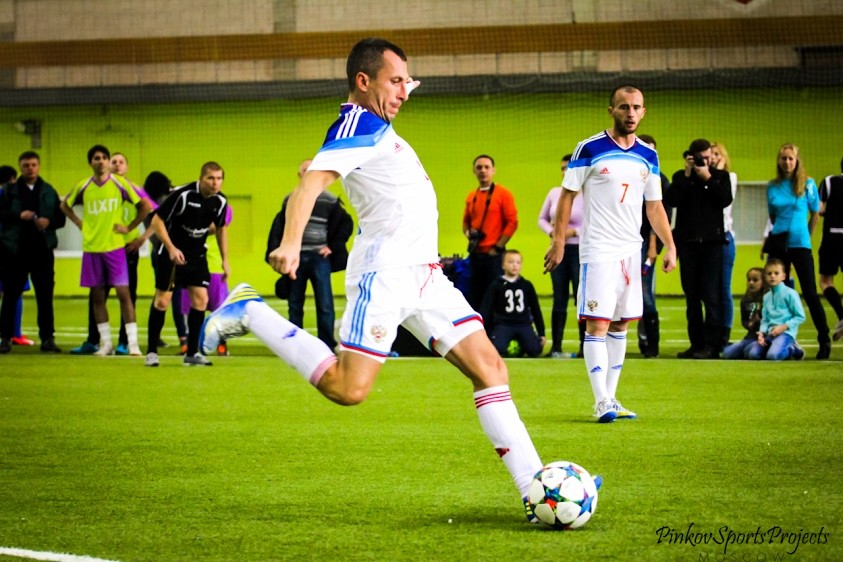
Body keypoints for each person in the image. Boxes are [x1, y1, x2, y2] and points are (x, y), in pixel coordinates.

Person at [201, 38, 554, 522]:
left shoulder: (379, 126)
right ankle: (251, 311)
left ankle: (537, 492)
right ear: (363, 81)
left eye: (407, 82)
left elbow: (369, 139)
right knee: (348, 389)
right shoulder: (356, 123)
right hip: (385, 274)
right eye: (395, 82)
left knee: (491, 369)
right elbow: (310, 184)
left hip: (426, 275)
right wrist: (290, 242)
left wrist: (400, 83)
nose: (404, 92)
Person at [543, 84, 676, 423]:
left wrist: (670, 245)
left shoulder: (648, 155)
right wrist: (558, 241)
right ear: (611, 110)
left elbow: (655, 206)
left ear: (643, 112)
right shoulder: (589, 148)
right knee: (597, 323)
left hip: (631, 251)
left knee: (620, 325)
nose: (630, 113)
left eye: (636, 107)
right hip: (598, 249)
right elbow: (567, 196)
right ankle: (600, 400)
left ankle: (612, 398)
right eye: (624, 107)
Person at [61, 145, 151, 356]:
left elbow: (145, 205)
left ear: (107, 161)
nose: (100, 161)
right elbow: (64, 205)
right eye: (96, 158)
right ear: (90, 163)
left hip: (115, 247)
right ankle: (106, 344)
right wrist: (79, 222)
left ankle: (132, 344)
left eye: (103, 157)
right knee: (97, 296)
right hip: (92, 248)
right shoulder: (84, 186)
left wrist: (129, 227)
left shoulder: (120, 184)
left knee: (123, 294)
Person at [144, 162, 229, 367]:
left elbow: (221, 229)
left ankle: (192, 353)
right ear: (201, 178)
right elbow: (156, 221)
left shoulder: (220, 201)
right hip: (171, 255)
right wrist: (171, 248)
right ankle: (152, 352)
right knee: (162, 301)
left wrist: (225, 259)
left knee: (201, 300)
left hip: (197, 256)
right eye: (211, 178)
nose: (215, 183)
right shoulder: (183, 195)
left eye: (219, 178)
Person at [266, 159, 353, 350]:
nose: (308, 173)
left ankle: (326, 344)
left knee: (325, 303)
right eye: (305, 170)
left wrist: (332, 246)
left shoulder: (330, 200)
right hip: (295, 259)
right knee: (295, 303)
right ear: (299, 175)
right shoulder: (290, 200)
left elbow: (346, 224)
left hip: (320, 259)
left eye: (311, 170)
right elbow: (279, 227)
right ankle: (295, 343)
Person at [665, 140, 733, 359]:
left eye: (707, 156)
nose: (705, 160)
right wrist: (687, 175)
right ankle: (696, 344)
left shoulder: (721, 177)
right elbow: (672, 199)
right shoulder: (681, 177)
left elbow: (724, 200)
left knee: (711, 295)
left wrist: (708, 178)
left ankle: (712, 345)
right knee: (691, 297)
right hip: (688, 244)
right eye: (700, 157)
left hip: (713, 244)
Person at [766, 143, 831, 359]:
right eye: (783, 158)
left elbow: (815, 214)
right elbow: (773, 216)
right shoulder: (772, 186)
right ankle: (780, 339)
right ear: (779, 161)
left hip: (801, 244)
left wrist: (806, 237)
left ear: (797, 161)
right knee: (778, 293)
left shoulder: (808, 184)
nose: (787, 162)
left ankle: (824, 339)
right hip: (779, 245)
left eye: (790, 158)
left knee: (810, 293)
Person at [0, 151, 63, 353]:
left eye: (33, 165)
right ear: (20, 167)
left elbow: (61, 219)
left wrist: (49, 222)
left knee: (45, 296)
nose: (30, 168)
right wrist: (19, 215)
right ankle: (5, 338)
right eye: (26, 165)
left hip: (42, 250)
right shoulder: (9, 191)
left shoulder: (49, 191)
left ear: (39, 166)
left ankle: (48, 338)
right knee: (11, 295)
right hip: (15, 250)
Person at [537, 154, 585, 358]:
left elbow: (594, 221)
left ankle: (585, 347)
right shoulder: (554, 193)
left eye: (569, 168)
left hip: (579, 251)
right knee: (559, 298)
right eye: (563, 168)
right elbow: (541, 219)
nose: (566, 172)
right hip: (557, 250)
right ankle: (556, 346)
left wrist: (573, 232)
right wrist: (554, 233)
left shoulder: (587, 194)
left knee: (581, 298)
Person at [462, 155, 518, 308]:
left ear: (493, 170)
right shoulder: (471, 196)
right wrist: (468, 234)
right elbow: (465, 222)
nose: (483, 171)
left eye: (486, 167)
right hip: (475, 254)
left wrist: (498, 247)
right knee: (476, 296)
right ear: (474, 171)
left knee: (495, 296)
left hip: (495, 256)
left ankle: (495, 324)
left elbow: (512, 222)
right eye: (479, 167)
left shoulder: (503, 194)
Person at [177, 204, 234, 355]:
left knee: (218, 308)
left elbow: (215, 228)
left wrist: (190, 226)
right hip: (191, 263)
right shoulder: (188, 204)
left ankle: (222, 344)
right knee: (191, 306)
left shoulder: (223, 207)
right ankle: (191, 344)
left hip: (214, 264)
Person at [636, 134, 673, 358]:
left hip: (645, 244)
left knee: (645, 294)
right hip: (623, 241)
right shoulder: (627, 174)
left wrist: (654, 245)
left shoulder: (660, 179)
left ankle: (651, 345)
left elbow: (659, 214)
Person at [479, 249, 546, 358]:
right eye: (510, 262)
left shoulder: (526, 285)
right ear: (503, 265)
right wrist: (484, 332)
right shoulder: (496, 285)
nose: (514, 265)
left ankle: (524, 343)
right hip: (503, 324)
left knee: (535, 350)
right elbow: (486, 309)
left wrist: (541, 333)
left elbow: (536, 310)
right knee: (497, 349)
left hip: (523, 324)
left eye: (518, 262)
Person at [0, 164, 34, 347]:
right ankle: (15, 334)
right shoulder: (11, 197)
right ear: (13, 179)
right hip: (10, 250)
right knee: (14, 292)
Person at [747, 259, 806, 361]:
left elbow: (800, 316)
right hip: (770, 334)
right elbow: (765, 319)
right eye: (769, 273)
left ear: (783, 276)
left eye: (776, 273)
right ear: (765, 277)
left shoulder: (790, 293)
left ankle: (793, 349)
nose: (772, 276)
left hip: (786, 333)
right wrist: (762, 333)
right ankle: (772, 346)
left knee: (773, 356)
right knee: (753, 355)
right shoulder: (766, 297)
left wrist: (783, 327)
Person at [711, 142, 738, 347]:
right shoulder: (702, 179)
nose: (712, 158)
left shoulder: (729, 177)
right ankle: (711, 332)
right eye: (710, 154)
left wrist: (718, 172)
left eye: (716, 154)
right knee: (711, 289)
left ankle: (724, 333)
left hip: (725, 238)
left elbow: (723, 201)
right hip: (709, 240)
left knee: (724, 288)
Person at [818, 158, 843, 341]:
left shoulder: (829, 181)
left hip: (832, 237)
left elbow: (820, 209)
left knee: (826, 282)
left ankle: (842, 316)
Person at [722, 267, 765, 359]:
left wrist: (760, 320)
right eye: (749, 280)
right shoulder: (745, 300)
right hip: (750, 337)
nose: (751, 283)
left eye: (755, 280)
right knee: (727, 353)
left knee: (753, 354)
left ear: (763, 282)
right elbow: (744, 321)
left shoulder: (767, 299)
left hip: (764, 338)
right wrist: (750, 324)